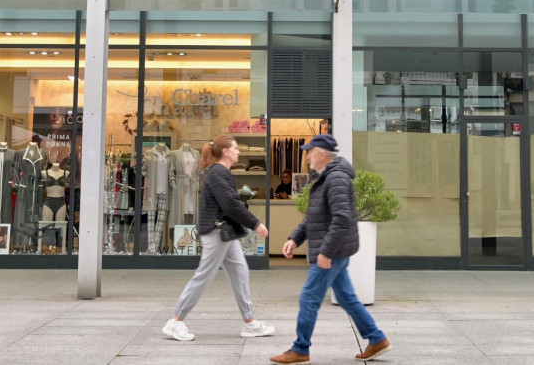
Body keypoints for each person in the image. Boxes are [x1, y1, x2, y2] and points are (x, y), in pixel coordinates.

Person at [270, 134, 391, 364]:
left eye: (308, 152)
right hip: (335, 249)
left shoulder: (335, 179)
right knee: (347, 298)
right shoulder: (326, 177)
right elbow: (315, 216)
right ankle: (376, 339)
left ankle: (300, 348)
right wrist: (295, 238)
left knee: (308, 297)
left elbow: (343, 218)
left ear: (321, 154)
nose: (306, 158)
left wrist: (326, 252)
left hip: (332, 251)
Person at [162, 134, 275, 342]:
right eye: (235, 148)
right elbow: (230, 204)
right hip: (216, 234)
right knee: (203, 276)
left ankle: (250, 322)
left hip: (224, 233)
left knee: (240, 272)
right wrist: (256, 223)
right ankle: (175, 321)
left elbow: (229, 204)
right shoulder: (218, 173)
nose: (238, 151)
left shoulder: (220, 173)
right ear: (226, 152)